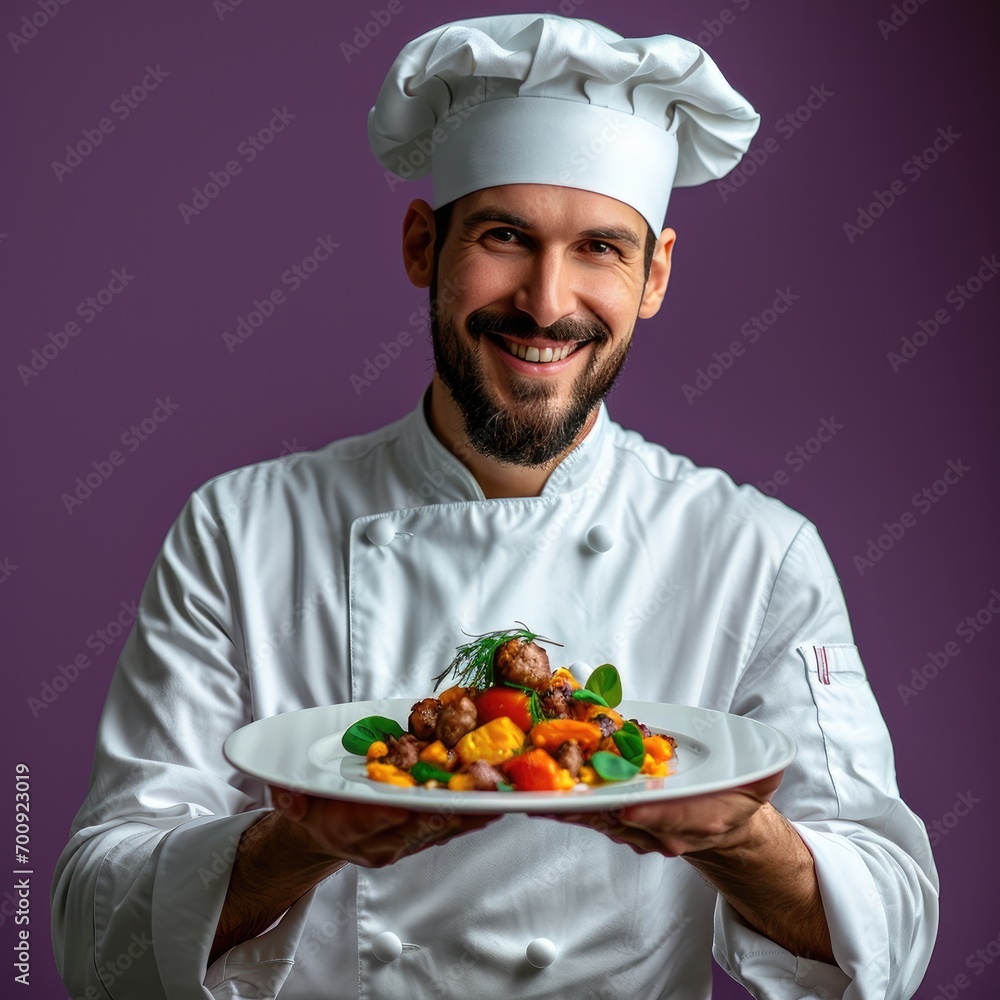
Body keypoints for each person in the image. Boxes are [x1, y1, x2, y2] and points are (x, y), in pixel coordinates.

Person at [51, 13, 938, 999]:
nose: (546, 301)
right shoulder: (237, 530)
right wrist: (292, 843)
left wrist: (738, 834)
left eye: (600, 247)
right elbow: (97, 935)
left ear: (654, 276)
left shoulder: (754, 555)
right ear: (423, 244)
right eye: (505, 236)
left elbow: (890, 924)